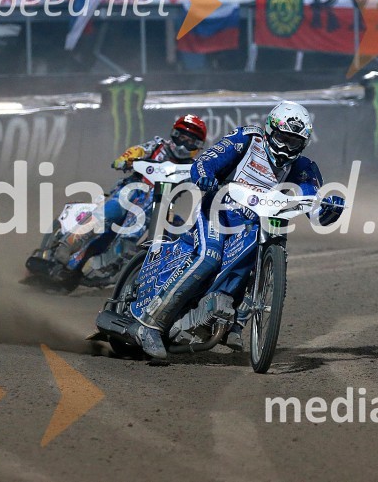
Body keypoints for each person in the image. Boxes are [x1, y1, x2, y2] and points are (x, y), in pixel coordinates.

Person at [130, 101, 346, 359]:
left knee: (257, 259)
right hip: (217, 211)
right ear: (270, 130)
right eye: (283, 138)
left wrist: (327, 211)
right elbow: (205, 162)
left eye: (294, 142)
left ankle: (233, 320)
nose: (287, 147)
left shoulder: (304, 168)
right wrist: (206, 176)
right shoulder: (246, 139)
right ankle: (149, 324)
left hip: (255, 225)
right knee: (208, 259)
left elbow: (313, 207)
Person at [48, 114, 208, 284]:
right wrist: (126, 159)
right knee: (110, 212)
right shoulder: (157, 146)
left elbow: (206, 176)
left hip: (160, 204)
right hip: (133, 189)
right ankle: (70, 242)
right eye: (182, 137)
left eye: (190, 141)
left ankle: (120, 266)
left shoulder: (193, 167)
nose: (184, 144)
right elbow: (138, 150)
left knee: (170, 229)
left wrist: (208, 181)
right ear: (174, 134)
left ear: (197, 146)